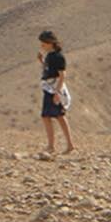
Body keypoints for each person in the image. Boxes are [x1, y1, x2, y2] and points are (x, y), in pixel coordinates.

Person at [37, 29, 75, 157]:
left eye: (43, 43)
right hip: (49, 88)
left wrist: (57, 92)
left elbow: (62, 75)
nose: (42, 46)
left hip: (54, 89)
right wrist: (42, 62)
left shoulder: (58, 57)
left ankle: (64, 145)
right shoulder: (50, 56)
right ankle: (53, 145)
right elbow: (49, 70)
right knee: (48, 116)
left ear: (50, 43)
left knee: (59, 116)